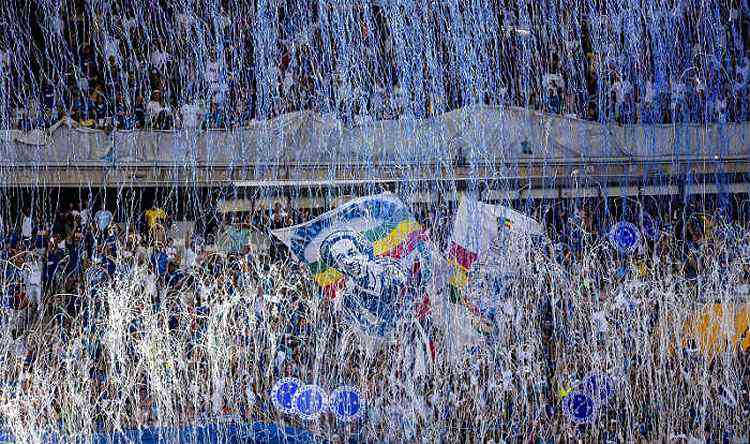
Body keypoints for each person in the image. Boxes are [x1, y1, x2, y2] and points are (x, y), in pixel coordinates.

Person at [319, 229, 410, 336]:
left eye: (352, 253)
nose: (349, 261)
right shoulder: (349, 300)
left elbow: (412, 289)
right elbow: (369, 329)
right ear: (338, 266)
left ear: (363, 253)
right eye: (341, 258)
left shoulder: (389, 269)